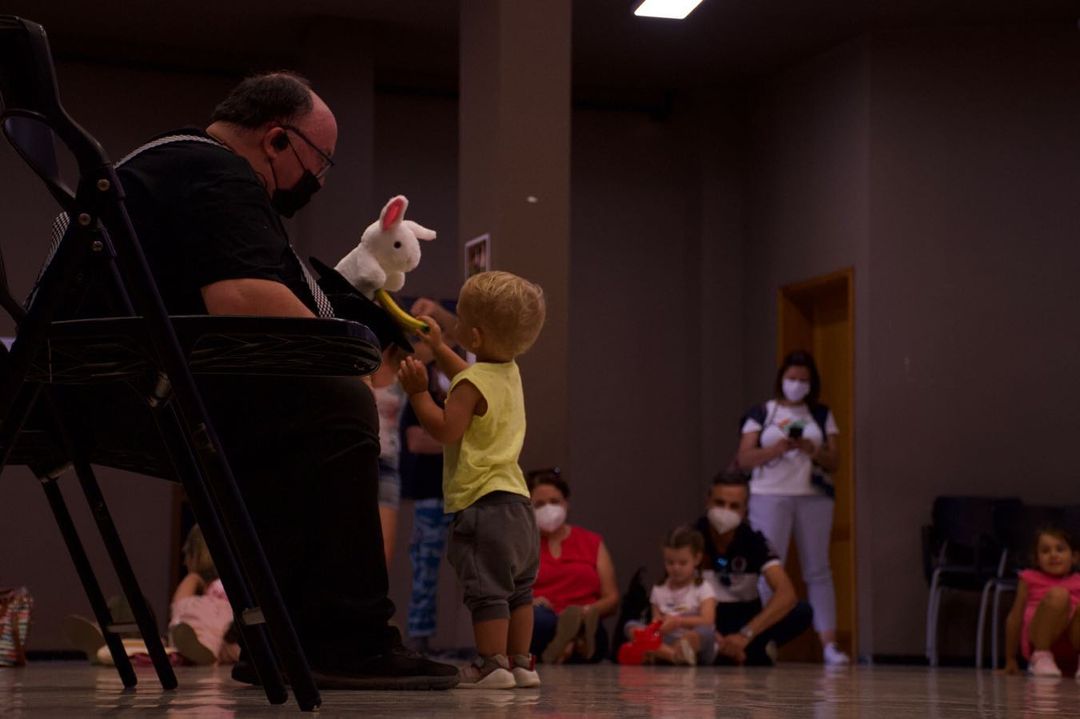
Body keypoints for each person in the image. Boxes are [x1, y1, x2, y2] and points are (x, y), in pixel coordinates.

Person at [104, 72, 457, 689]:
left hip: (102, 373)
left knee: (305, 409)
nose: (317, 183)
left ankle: (277, 638)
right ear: (275, 141)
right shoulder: (216, 173)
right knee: (337, 403)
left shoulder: (168, 160)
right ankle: (347, 641)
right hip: (118, 385)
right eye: (318, 163)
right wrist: (346, 353)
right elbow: (245, 297)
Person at [397, 270, 546, 689]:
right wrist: (441, 346)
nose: (453, 325)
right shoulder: (508, 374)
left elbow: (445, 429)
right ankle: (521, 662)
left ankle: (491, 664)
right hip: (518, 504)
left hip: (482, 505)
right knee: (519, 590)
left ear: (476, 337)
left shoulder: (467, 385)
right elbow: (470, 373)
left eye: (458, 320)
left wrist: (418, 392)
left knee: (487, 591)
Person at [736, 350, 849, 666]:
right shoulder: (763, 412)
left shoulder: (822, 415)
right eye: (791, 378)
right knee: (770, 567)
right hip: (768, 495)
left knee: (818, 568)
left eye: (803, 380)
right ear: (781, 379)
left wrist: (813, 450)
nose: (796, 385)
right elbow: (744, 458)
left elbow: (835, 460)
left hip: (813, 495)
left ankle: (829, 644)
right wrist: (775, 449)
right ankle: (761, 636)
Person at [693, 472, 813, 665]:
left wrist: (746, 634)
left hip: (745, 623)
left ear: (745, 510)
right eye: (719, 503)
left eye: (734, 506)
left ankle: (740, 649)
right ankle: (745, 652)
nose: (725, 511)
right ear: (708, 502)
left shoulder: (754, 542)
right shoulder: (692, 539)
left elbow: (786, 593)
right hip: (705, 620)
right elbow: (674, 589)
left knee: (801, 611)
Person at [527, 467, 619, 664]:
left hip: (586, 616)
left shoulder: (591, 541)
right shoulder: (523, 545)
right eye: (539, 504)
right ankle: (572, 643)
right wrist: (528, 601)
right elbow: (508, 593)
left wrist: (586, 611)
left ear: (566, 503)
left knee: (594, 629)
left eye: (554, 502)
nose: (548, 509)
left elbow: (612, 599)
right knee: (538, 621)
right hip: (544, 619)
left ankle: (570, 642)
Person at [398, 338, 454, 651]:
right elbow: (417, 441)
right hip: (428, 494)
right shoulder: (419, 397)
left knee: (476, 569)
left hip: (461, 493)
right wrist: (456, 439)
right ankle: (419, 638)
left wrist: (442, 436)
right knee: (424, 569)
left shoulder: (463, 393)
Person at [625, 527, 717, 665]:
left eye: (682, 563)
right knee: (631, 626)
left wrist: (678, 622)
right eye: (670, 563)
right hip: (667, 639)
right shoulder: (659, 589)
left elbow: (707, 620)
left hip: (695, 641)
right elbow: (655, 618)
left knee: (703, 633)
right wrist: (660, 626)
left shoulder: (703, 588)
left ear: (697, 559)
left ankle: (665, 653)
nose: (676, 568)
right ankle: (673, 655)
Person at [1004, 526, 1080, 677]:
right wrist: (1010, 659)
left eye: (1060, 549)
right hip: (1040, 642)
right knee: (1059, 595)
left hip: (1073, 647)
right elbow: (1015, 617)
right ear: (1037, 559)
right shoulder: (1029, 578)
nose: (1053, 555)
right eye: (1045, 551)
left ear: (1074, 557)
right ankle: (1041, 656)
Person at [169, 525, 240, 665]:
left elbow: (179, 604)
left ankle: (205, 648)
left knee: (190, 616)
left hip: (215, 620)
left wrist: (193, 578)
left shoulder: (204, 590)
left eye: (186, 555)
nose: (184, 562)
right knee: (228, 643)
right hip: (235, 628)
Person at [372, 345, 409, 567]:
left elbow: (450, 339)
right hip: (355, 458)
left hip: (388, 461)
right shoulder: (357, 352)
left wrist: (434, 309)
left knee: (384, 549)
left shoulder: (404, 361)